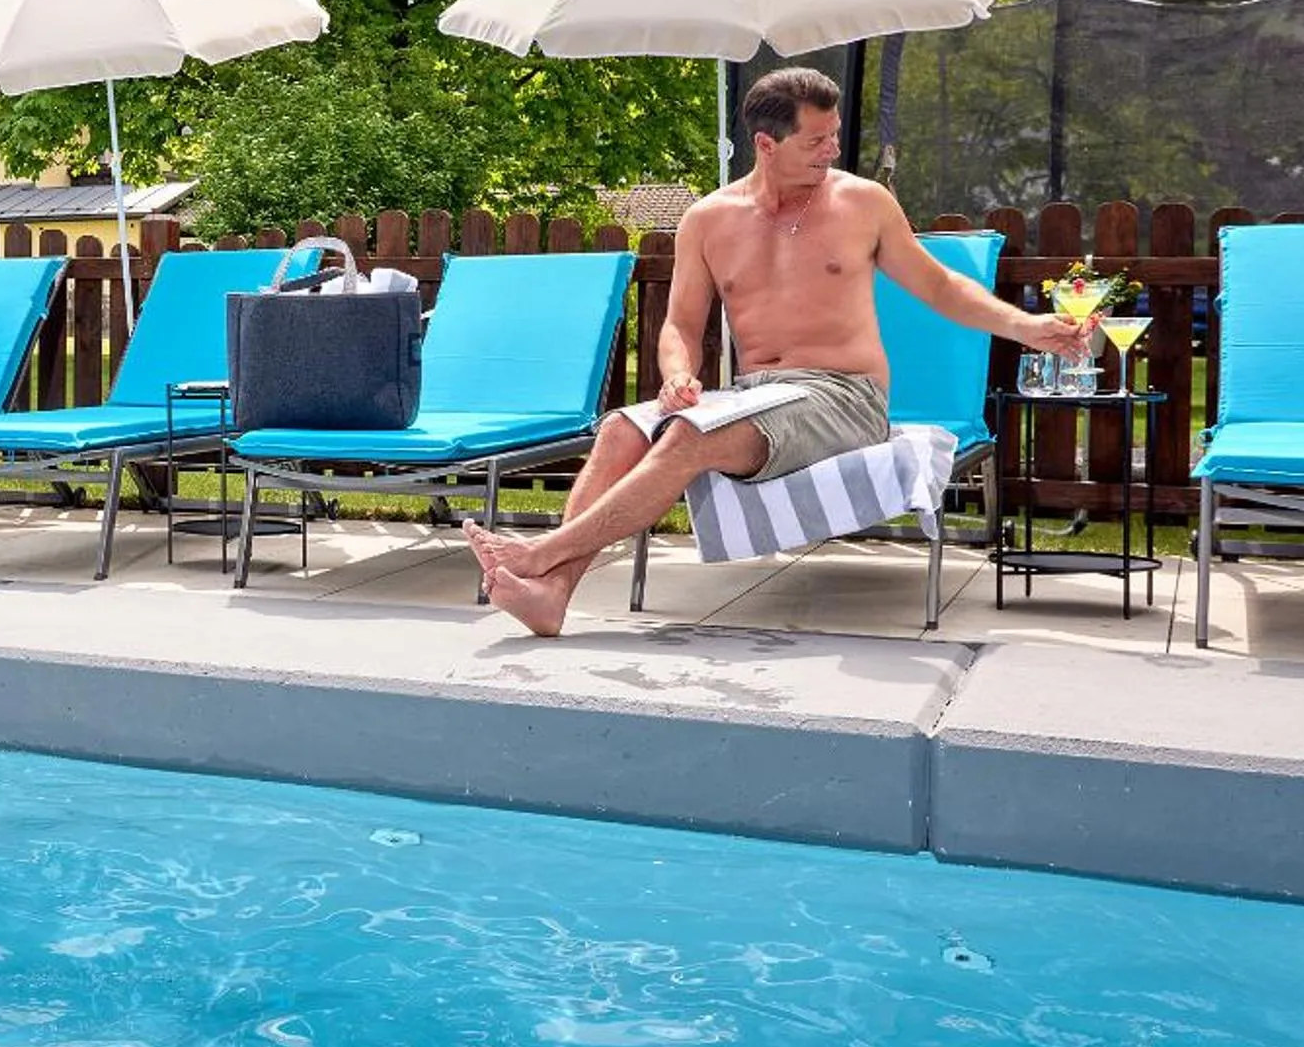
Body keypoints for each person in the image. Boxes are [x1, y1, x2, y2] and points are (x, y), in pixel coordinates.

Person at [465, 67, 1095, 637]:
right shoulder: (709, 220)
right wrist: (679, 374)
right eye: (815, 140)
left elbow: (940, 285)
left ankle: (540, 554)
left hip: (844, 396)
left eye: (834, 134)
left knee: (686, 437)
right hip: (751, 396)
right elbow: (681, 323)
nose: (833, 150)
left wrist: (1028, 328)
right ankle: (552, 595)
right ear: (766, 145)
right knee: (621, 431)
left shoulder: (863, 203)